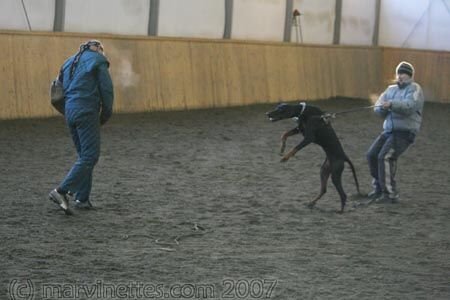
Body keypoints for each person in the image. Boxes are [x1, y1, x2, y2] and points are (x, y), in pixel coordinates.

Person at [49, 40, 114, 214]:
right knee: (90, 156)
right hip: (86, 109)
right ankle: (61, 191)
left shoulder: (69, 62)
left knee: (84, 156)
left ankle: (82, 198)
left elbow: (55, 89)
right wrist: (105, 115)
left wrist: (68, 110)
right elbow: (107, 90)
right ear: (98, 49)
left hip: (70, 111)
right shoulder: (98, 61)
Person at [367, 61, 424, 203]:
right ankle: (379, 188)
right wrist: (382, 108)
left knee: (385, 157)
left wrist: (391, 104)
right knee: (372, 155)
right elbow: (378, 108)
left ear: (410, 76)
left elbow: (410, 106)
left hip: (405, 132)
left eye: (403, 73)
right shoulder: (390, 89)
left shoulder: (415, 89)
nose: (400, 76)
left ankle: (390, 194)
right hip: (388, 131)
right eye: (399, 73)